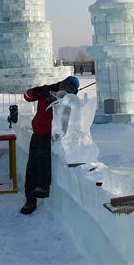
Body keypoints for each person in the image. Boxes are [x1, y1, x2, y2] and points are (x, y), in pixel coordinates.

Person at [20, 75, 80, 215]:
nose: (65, 88)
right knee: (31, 168)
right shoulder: (46, 90)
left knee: (43, 164)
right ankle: (30, 199)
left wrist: (61, 102)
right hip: (36, 134)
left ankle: (43, 187)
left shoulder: (68, 101)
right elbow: (27, 96)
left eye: (70, 88)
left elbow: (67, 123)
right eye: (65, 84)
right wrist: (37, 91)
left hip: (49, 137)